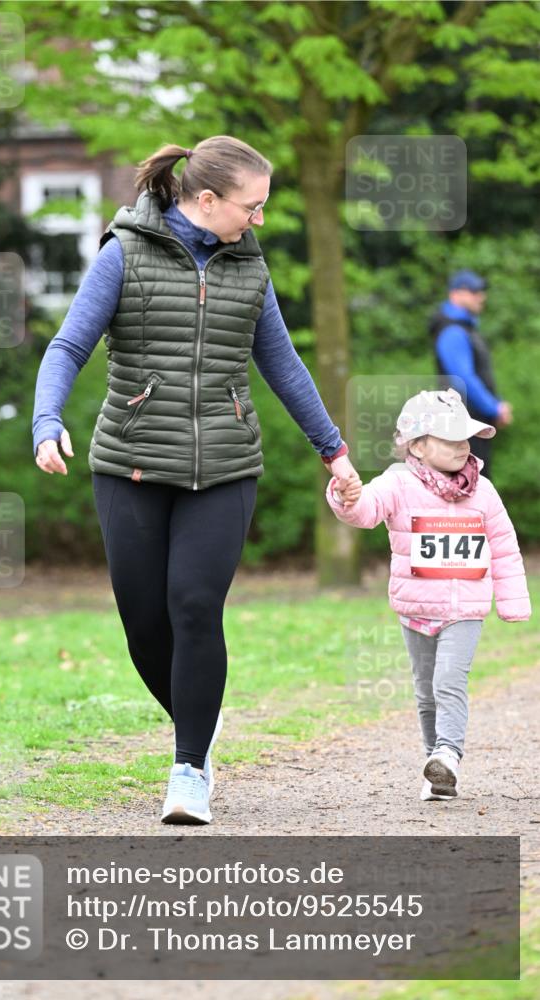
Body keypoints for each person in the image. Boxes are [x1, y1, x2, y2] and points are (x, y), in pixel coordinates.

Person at [33, 135, 358, 825]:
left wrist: (333, 450)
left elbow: (283, 366)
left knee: (193, 605)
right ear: (205, 199)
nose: (259, 220)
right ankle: (199, 724)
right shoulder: (123, 253)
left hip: (225, 466)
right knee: (144, 622)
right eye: (253, 206)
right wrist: (45, 420)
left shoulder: (250, 268)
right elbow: (68, 345)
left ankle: (187, 770)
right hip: (130, 464)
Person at [325, 388, 531, 801]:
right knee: (425, 691)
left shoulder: (484, 492)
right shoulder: (396, 483)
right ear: (416, 446)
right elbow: (365, 512)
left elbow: (504, 546)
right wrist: (345, 497)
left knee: (449, 681)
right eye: (450, 439)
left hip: (465, 607)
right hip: (416, 606)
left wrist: (512, 601)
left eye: (465, 438)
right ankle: (436, 770)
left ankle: (449, 753)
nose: (462, 447)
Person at [429, 269, 512, 479]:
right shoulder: (452, 331)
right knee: (472, 485)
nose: (481, 296)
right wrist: (494, 406)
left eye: (481, 291)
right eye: (474, 291)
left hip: (471, 422)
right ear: (455, 294)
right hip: (463, 425)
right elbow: (463, 377)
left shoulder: (464, 328)